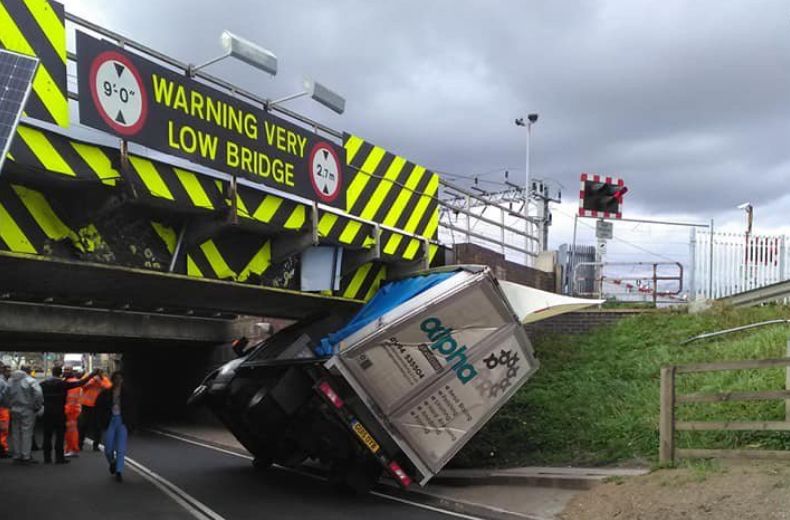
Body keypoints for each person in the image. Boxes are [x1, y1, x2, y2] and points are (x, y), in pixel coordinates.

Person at [40, 366, 96, 464]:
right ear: (60, 373)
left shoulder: (43, 384)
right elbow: (80, 383)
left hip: (47, 412)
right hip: (60, 412)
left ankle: (47, 458)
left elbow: (37, 396)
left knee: (47, 435)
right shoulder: (63, 384)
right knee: (60, 435)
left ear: (52, 372)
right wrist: (92, 374)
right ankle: (59, 457)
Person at [97, 371, 137, 482]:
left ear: (122, 380)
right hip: (110, 421)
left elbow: (132, 410)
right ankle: (112, 462)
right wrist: (100, 421)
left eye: (120, 378)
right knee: (108, 448)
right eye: (116, 378)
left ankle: (119, 471)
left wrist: (132, 424)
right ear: (112, 380)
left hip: (122, 421)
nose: (118, 381)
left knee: (121, 448)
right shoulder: (106, 393)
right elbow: (99, 407)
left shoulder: (127, 394)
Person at [7, 365, 43, 464]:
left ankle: (17, 455)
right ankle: (26, 455)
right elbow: (38, 394)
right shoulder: (30, 381)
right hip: (27, 409)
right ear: (28, 371)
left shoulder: (10, 381)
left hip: (14, 409)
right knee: (27, 432)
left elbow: (5, 394)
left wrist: (9, 405)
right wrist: (37, 405)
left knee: (16, 432)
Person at [79, 369, 111, 451]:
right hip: (87, 404)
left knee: (97, 426)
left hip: (98, 405)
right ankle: (80, 444)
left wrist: (99, 381)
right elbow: (82, 385)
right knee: (83, 425)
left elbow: (108, 387)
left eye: (100, 373)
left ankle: (96, 445)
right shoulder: (89, 378)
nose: (99, 374)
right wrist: (92, 380)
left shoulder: (104, 379)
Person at [64, 369, 83, 457]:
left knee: (70, 432)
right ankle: (71, 448)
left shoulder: (66, 384)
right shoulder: (78, 383)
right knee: (73, 431)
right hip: (76, 410)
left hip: (69, 410)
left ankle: (72, 449)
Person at [0, 363, 9, 458]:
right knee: (3, 430)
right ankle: (3, 449)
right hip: (2, 409)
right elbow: (6, 396)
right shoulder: (2, 382)